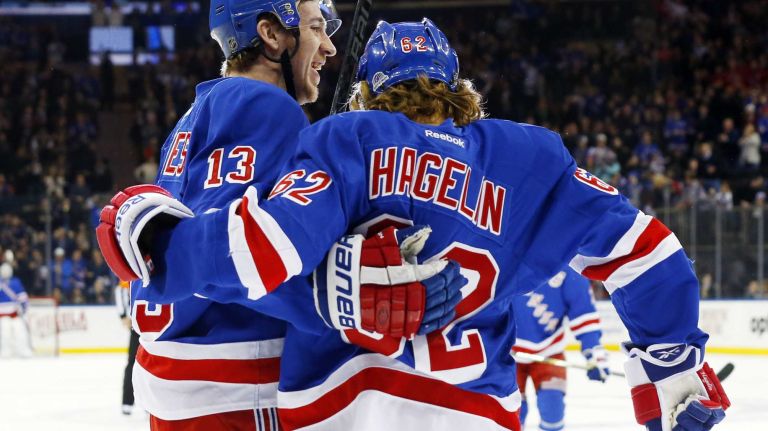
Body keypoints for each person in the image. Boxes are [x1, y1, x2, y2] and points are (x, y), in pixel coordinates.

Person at [102, 18, 730, 431]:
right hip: (475, 408)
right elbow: (647, 252)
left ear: (368, 90)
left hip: (336, 409)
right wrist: (671, 374)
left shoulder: (338, 140)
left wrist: (153, 242)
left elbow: (259, 250)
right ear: (457, 85)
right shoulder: (530, 158)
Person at [95, 3, 460, 430]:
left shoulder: (201, 111)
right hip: (238, 391)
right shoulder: (264, 104)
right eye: (317, 28)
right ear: (271, 34)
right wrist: (346, 298)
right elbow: (232, 255)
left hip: (187, 388)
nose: (327, 47)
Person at [512, 267, 610, 431]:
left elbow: (583, 313)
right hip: (507, 355)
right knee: (513, 411)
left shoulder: (569, 267)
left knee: (552, 407)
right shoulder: (510, 256)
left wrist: (595, 354)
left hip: (550, 350)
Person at [115, 279, 140, 415]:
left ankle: (144, 402)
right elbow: (121, 290)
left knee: (147, 363)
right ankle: (127, 401)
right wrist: (123, 315)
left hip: (145, 324)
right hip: (138, 324)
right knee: (133, 362)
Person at [0, 262, 32, 358]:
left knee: (20, 331)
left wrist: (25, 308)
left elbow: (22, 296)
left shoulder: (16, 281)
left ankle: (23, 350)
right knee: (5, 332)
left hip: (15, 313)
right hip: (2, 314)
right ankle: (5, 351)